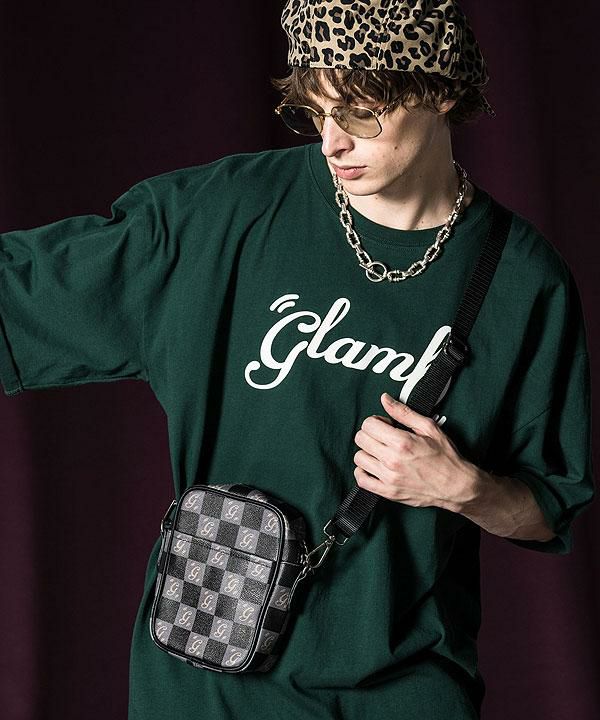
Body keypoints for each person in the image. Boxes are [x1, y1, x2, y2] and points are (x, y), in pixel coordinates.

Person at [0, 1, 594, 718]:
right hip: (208, 676)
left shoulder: (523, 282)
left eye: (361, 112)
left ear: (439, 92)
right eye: (316, 112)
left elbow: (546, 510)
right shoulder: (219, 216)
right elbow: (25, 290)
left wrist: (462, 488)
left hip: (404, 684)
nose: (334, 142)